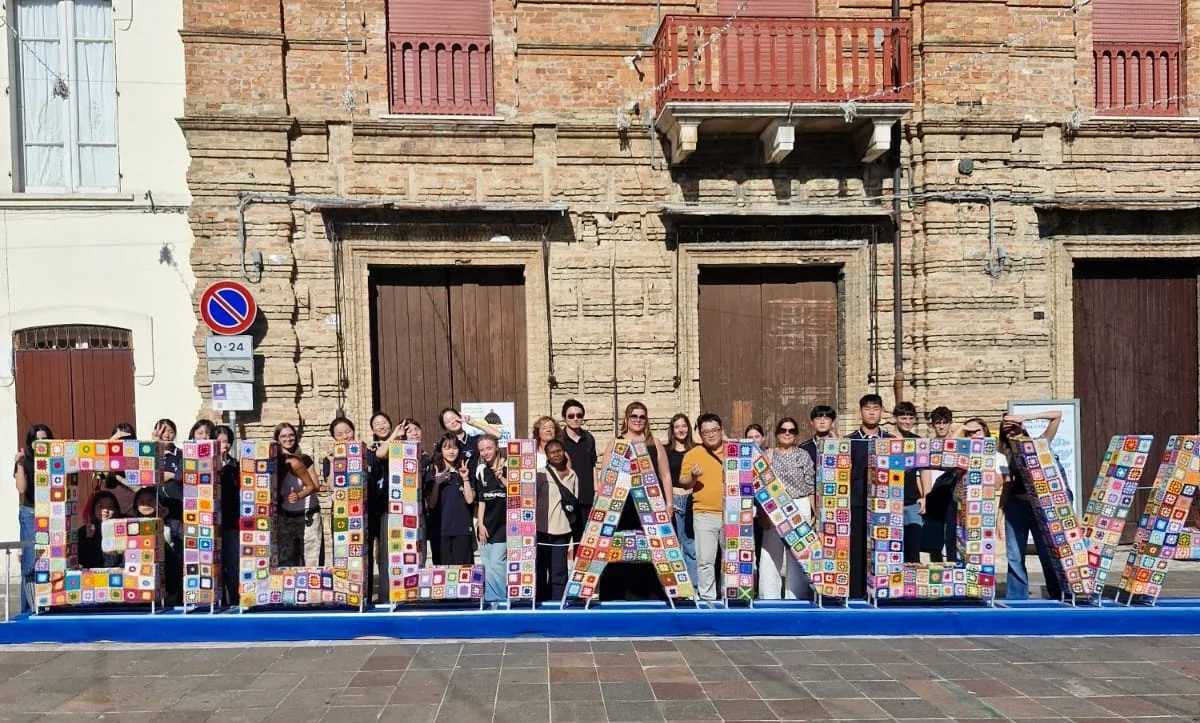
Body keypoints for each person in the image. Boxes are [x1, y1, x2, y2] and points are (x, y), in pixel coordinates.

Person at [598, 402, 674, 601]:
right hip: (621, 506)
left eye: (642, 416)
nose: (638, 420)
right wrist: (602, 506)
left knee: (652, 547)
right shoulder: (616, 442)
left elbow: (665, 475)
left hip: (649, 504)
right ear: (626, 419)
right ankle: (617, 592)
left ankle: (648, 593)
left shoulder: (654, 443)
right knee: (619, 546)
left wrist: (668, 504)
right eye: (634, 416)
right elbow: (605, 476)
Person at [1001, 410, 1064, 601]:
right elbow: (1006, 486)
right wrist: (999, 515)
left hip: (1040, 507)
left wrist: (1024, 418)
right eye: (1007, 429)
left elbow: (1057, 415)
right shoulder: (1006, 455)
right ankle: (1016, 598)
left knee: (1047, 553)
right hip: (1015, 506)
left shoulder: (1039, 444)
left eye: (1013, 427)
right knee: (1014, 556)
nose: (1011, 431)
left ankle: (1057, 593)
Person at [322, 417, 387, 601]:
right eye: (340, 434)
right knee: (348, 555)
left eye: (347, 432)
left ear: (354, 430)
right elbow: (331, 485)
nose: (345, 436)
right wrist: (334, 463)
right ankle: (350, 594)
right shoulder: (332, 457)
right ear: (335, 438)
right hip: (346, 514)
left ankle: (373, 593)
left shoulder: (368, 453)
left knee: (373, 553)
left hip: (371, 511)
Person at [760, 418, 816, 600]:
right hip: (774, 506)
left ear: (796, 435)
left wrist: (815, 511)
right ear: (777, 434)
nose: (787, 433)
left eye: (791, 431)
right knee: (771, 553)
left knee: (798, 553)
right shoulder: (768, 455)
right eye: (783, 430)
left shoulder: (803, 455)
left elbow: (810, 485)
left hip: (799, 504)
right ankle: (769, 597)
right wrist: (762, 512)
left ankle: (796, 596)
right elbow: (760, 483)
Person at [846, 394, 893, 599]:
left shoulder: (891, 441)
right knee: (856, 550)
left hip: (885, 505)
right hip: (856, 502)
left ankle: (881, 592)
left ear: (882, 412)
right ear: (860, 412)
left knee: (883, 550)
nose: (872, 412)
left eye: (876, 408)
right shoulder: (849, 441)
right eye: (867, 408)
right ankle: (856, 593)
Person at [679, 413, 726, 601]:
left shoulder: (734, 452)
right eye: (706, 431)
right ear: (699, 433)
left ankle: (730, 595)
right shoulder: (693, 454)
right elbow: (683, 482)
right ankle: (708, 598)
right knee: (705, 560)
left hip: (733, 514)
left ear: (721, 430)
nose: (711, 434)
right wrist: (693, 476)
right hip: (704, 513)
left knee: (732, 560)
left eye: (714, 430)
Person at [14, 423, 51, 612]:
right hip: (31, 513)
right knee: (30, 562)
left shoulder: (56, 460)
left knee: (50, 559)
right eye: (38, 440)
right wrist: (19, 465)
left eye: (46, 439)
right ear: (31, 442)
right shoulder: (26, 461)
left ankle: (45, 604)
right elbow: (21, 489)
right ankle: (29, 609)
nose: (42, 443)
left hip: (53, 513)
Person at [273, 423, 321, 567]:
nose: (288, 439)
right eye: (283, 436)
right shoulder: (274, 461)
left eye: (291, 435)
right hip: (285, 516)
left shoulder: (302, 460)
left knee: (311, 559)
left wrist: (299, 495)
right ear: (277, 439)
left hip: (308, 515)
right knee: (287, 560)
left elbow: (315, 486)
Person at [424, 433, 476, 565]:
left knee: (464, 574)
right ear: (441, 450)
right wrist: (437, 481)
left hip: (463, 529)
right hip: (440, 530)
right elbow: (431, 503)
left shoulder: (465, 470)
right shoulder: (434, 471)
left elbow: (470, 500)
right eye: (447, 448)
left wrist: (465, 478)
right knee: (442, 576)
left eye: (454, 448)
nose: (451, 451)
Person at [536, 439, 577, 603]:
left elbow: (575, 500)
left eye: (559, 451)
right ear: (547, 455)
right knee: (541, 568)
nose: (556, 454)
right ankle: (539, 601)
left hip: (563, 529)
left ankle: (557, 602)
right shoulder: (540, 474)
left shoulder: (572, 475)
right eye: (552, 452)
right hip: (542, 529)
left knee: (559, 570)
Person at [474, 435, 509, 606]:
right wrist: (480, 524)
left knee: (497, 564)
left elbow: (518, 492)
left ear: (496, 447)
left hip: (505, 524)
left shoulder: (509, 465)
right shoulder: (480, 470)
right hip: (486, 525)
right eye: (482, 449)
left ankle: (502, 600)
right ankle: (490, 601)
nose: (486, 452)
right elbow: (481, 500)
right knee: (487, 567)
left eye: (489, 448)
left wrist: (501, 477)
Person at [559, 399, 598, 547]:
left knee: (586, 540)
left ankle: (580, 570)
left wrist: (596, 490)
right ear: (564, 418)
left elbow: (593, 465)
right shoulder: (559, 440)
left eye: (579, 415)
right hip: (567, 497)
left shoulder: (589, 438)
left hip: (587, 496)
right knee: (565, 539)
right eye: (571, 416)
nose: (575, 418)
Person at [665, 413, 697, 586]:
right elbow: (664, 476)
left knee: (691, 545)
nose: (681, 429)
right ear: (672, 430)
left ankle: (694, 587)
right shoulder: (666, 451)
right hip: (674, 498)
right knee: (674, 545)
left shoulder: (696, 449)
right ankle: (676, 586)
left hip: (692, 498)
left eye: (684, 426)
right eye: (677, 426)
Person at [892, 401, 923, 564]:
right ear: (895, 418)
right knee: (892, 549)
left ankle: (912, 587)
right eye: (903, 418)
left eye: (911, 418)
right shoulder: (886, 440)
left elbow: (923, 471)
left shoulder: (918, 441)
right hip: (889, 502)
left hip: (912, 502)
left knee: (913, 549)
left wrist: (926, 495)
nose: (907, 421)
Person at [922, 406, 955, 561]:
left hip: (952, 494)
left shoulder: (957, 444)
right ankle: (938, 573)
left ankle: (953, 569)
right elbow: (924, 471)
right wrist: (925, 496)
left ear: (950, 424)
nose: (941, 426)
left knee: (953, 537)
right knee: (934, 540)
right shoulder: (928, 446)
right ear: (933, 425)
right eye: (938, 423)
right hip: (934, 495)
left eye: (945, 422)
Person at [214, 424, 241, 606]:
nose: (224, 445)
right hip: (210, 523)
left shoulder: (236, 466)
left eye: (227, 441)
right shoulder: (205, 466)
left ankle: (235, 600)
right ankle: (217, 600)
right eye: (220, 441)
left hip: (231, 521)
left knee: (233, 563)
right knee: (213, 564)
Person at [438, 408, 503, 473]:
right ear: (444, 427)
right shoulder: (444, 445)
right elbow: (438, 475)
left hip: (476, 482)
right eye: (448, 421)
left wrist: (474, 422)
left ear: (460, 416)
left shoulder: (474, 440)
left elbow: (498, 435)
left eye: (453, 417)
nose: (452, 422)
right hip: (453, 482)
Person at [77, 491, 122, 569]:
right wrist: (89, 538)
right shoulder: (84, 531)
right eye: (100, 506)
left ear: (116, 510)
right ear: (93, 508)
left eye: (110, 506)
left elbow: (120, 561)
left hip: (116, 576)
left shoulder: (121, 528)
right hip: (90, 577)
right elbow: (82, 560)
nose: (105, 510)